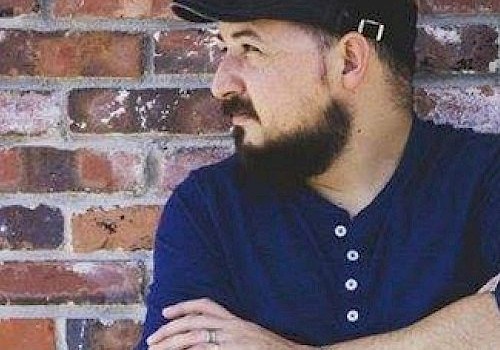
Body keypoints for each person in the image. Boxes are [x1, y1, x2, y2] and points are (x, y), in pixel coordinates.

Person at [137, 0, 500, 349]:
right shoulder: (209, 209)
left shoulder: (485, 178)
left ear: (349, 61)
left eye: (250, 48)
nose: (221, 84)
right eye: (224, 50)